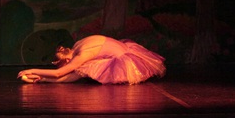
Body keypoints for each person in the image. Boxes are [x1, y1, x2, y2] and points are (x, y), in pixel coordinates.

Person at [17, 34, 166, 85]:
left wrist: (31, 70)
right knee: (81, 71)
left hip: (124, 60)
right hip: (122, 49)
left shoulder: (82, 54)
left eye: (63, 63)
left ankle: (41, 79)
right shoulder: (77, 45)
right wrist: (42, 77)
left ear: (66, 60)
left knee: (79, 72)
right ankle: (42, 80)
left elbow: (59, 73)